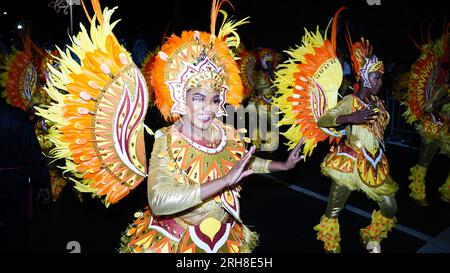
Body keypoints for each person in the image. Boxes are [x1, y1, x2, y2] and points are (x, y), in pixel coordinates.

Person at [36, 0, 304, 253]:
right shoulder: (167, 139)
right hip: (178, 237)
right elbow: (159, 201)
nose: (207, 108)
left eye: (214, 99)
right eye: (198, 98)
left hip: (223, 233)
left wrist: (280, 165)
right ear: (180, 99)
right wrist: (223, 182)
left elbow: (243, 162)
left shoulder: (228, 133)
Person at [314, 35, 398, 253]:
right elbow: (323, 120)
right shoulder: (350, 101)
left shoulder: (378, 102)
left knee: (390, 206)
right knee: (334, 209)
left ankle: (371, 236)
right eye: (376, 78)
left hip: (374, 161)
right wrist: (350, 118)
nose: (380, 83)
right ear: (364, 77)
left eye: (381, 79)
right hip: (349, 162)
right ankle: (330, 241)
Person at [403, 32, 450, 205]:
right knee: (425, 160)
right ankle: (417, 191)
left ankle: (447, 189)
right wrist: (446, 98)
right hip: (433, 122)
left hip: (446, 124)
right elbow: (430, 106)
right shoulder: (440, 76)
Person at [0, 99, 51, 252]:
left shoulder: (17, 116)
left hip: (15, 180)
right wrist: (43, 183)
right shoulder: (16, 116)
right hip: (15, 182)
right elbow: (33, 153)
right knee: (17, 229)